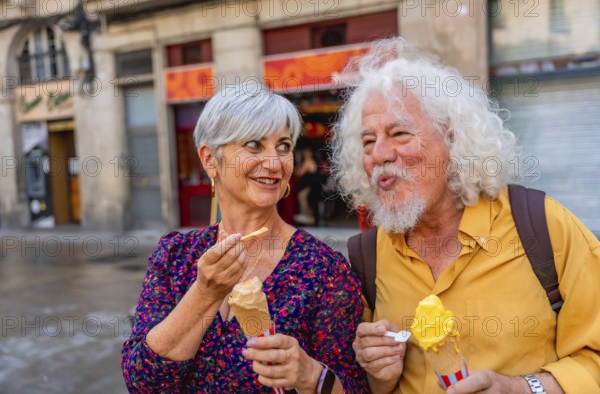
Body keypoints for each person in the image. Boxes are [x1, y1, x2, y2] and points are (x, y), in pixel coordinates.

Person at [330, 37, 600, 394]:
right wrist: (378, 376)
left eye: (399, 133)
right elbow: (367, 385)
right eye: (367, 142)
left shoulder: (542, 225)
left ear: (455, 141)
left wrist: (520, 388)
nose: (379, 154)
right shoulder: (367, 257)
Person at [122, 84, 367, 393]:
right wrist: (205, 293)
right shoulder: (175, 255)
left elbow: (355, 386)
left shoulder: (324, 269)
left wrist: (311, 375)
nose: (275, 162)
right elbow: (143, 383)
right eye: (254, 144)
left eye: (283, 146)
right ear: (210, 159)